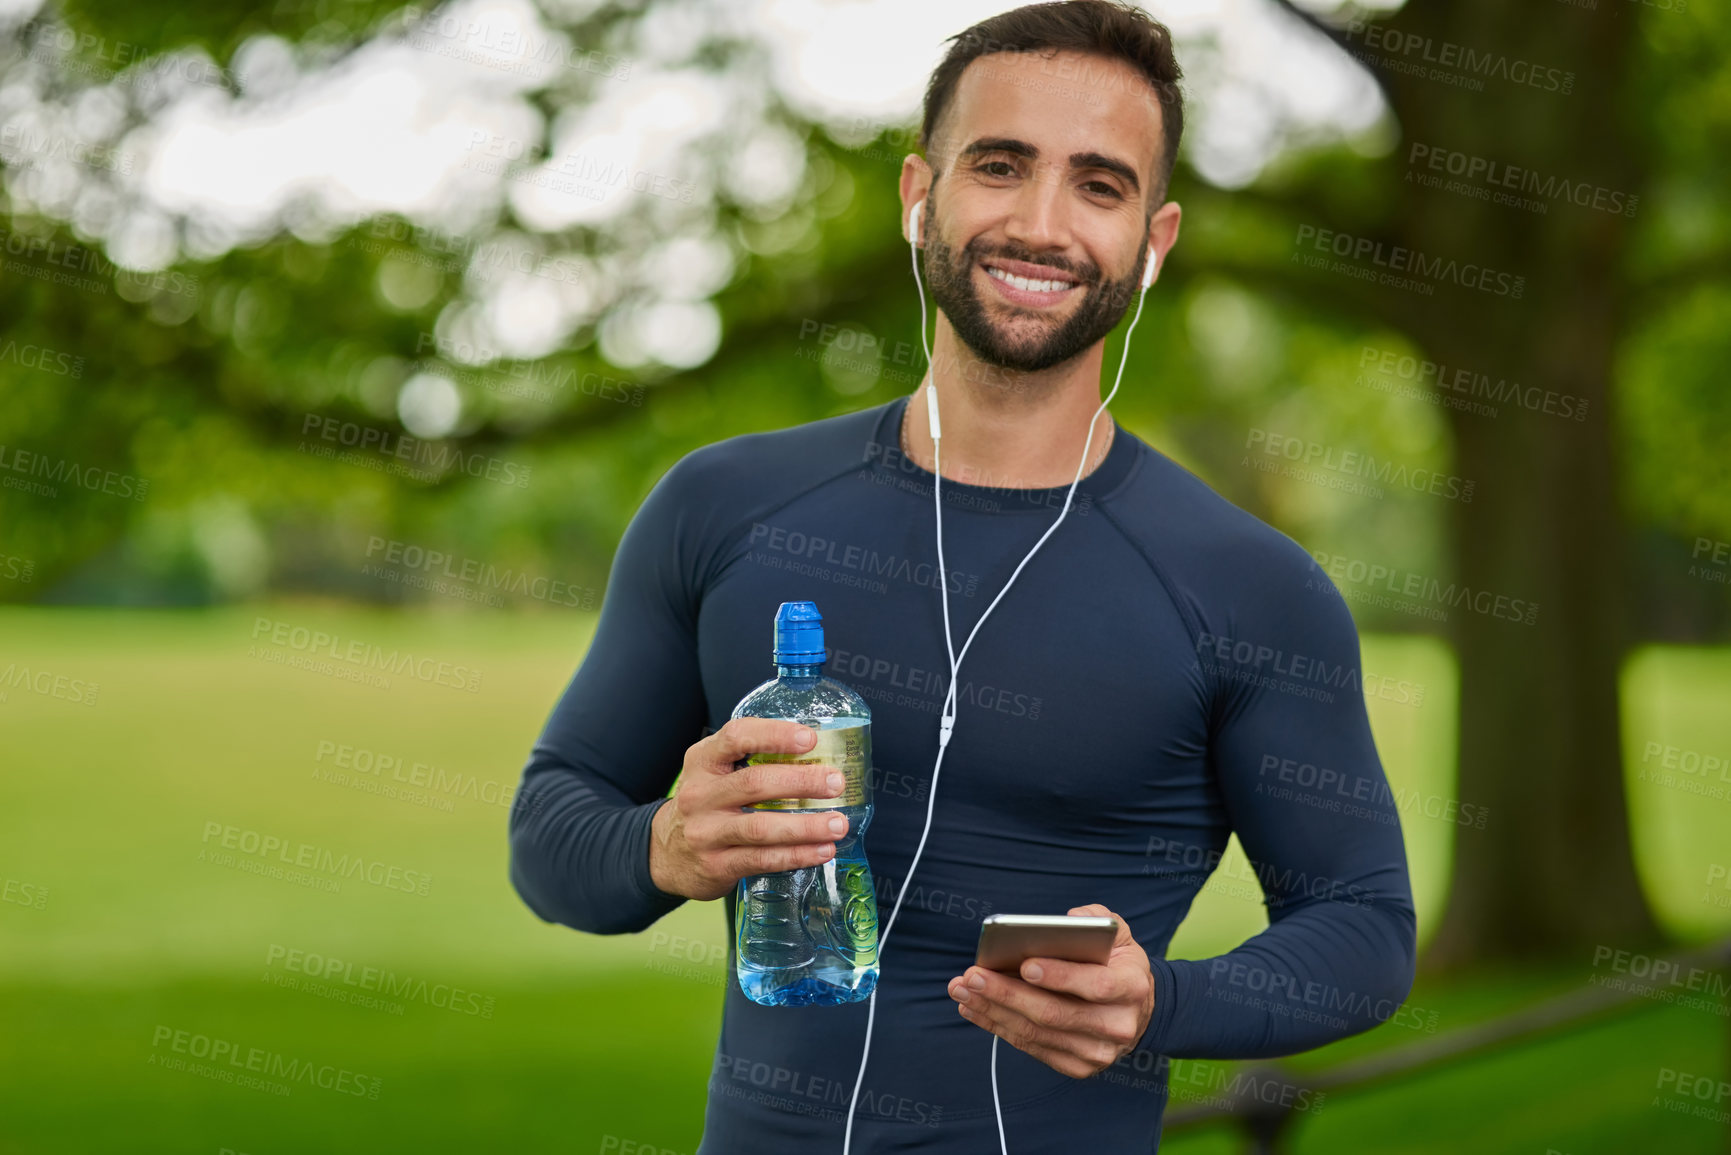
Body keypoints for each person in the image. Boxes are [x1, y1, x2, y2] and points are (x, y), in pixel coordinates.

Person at [508, 2, 1416, 1150]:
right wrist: (663, 847)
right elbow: (550, 829)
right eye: (1000, 165)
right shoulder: (723, 507)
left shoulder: (1248, 589)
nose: (1042, 224)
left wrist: (1162, 1002)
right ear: (916, 196)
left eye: (1100, 184)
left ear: (1155, 239)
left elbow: (1363, 927)